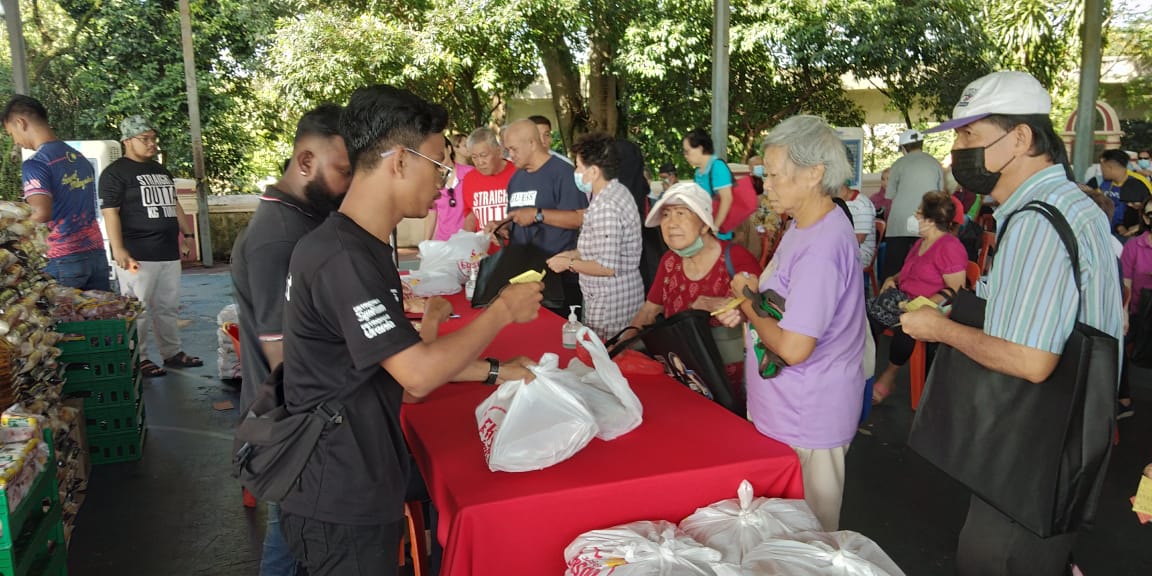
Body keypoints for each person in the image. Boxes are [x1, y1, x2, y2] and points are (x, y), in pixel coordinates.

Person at [278, 85, 544, 576]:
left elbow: (399, 367)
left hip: (363, 474)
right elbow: (417, 377)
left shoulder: (364, 246)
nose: (445, 184)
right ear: (399, 160)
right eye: (440, 165)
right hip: (338, 493)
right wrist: (502, 311)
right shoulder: (343, 257)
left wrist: (493, 371)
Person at [900, 70, 1123, 576]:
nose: (959, 149)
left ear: (1020, 138)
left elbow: (1030, 359)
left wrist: (939, 329)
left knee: (994, 559)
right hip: (1059, 443)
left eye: (969, 136)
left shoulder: (1038, 222)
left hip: (1032, 452)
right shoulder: (1071, 207)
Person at [715, 115, 866, 531]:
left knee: (806, 538)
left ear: (814, 174)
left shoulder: (821, 245)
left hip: (808, 412)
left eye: (777, 176)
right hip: (786, 405)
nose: (768, 186)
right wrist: (751, 304)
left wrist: (748, 304)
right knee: (782, 530)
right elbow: (788, 303)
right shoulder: (806, 225)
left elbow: (795, 348)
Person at [229, 104, 352, 576]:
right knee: (290, 542)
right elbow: (282, 351)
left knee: (298, 537)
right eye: (343, 171)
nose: (349, 184)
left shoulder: (301, 220)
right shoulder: (278, 238)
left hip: (304, 418)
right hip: (294, 425)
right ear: (305, 162)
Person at [100, 115, 201, 377]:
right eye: (145, 139)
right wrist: (118, 248)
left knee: (167, 307)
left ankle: (172, 353)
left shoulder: (161, 171)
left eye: (153, 138)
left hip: (167, 251)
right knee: (138, 309)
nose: (152, 144)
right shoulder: (114, 174)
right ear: (127, 141)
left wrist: (187, 235)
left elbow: (174, 204)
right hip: (138, 255)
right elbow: (110, 212)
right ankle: (140, 357)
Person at [631, 182, 760, 378]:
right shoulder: (669, 261)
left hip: (730, 379)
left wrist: (739, 310)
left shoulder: (736, 258)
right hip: (683, 372)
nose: (671, 223)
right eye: (666, 214)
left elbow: (761, 308)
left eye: (681, 213)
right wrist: (620, 346)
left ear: (705, 224)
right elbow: (650, 310)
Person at [1, 95, 109, 290]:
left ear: (20, 122)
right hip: (96, 253)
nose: (16, 141)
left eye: (11, 134)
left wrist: (8, 232)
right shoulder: (78, 157)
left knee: (65, 318)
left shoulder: (36, 163)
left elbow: (40, 213)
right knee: (99, 316)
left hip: (63, 258)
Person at [868, 191, 966, 404]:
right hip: (902, 296)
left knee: (906, 327)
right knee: (864, 318)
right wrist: (891, 279)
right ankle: (864, 373)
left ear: (930, 220)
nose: (915, 215)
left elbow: (957, 289)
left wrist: (922, 306)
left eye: (919, 213)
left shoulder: (949, 247)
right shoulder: (921, 243)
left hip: (929, 305)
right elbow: (906, 271)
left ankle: (889, 376)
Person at [544, 133, 643, 338]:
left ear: (594, 171)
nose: (577, 172)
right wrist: (571, 254)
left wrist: (568, 264)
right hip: (619, 294)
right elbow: (600, 246)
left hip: (609, 302)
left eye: (579, 167)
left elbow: (606, 267)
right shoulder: (617, 191)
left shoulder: (606, 206)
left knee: (607, 356)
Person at [501, 119, 589, 315]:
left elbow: (579, 218)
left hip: (559, 276)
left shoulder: (563, 173)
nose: (510, 155)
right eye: (507, 150)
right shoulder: (516, 178)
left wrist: (538, 215)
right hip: (523, 274)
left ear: (532, 144)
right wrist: (502, 227)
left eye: (513, 149)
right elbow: (516, 216)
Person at [883, 129, 945, 280]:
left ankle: (891, 296)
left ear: (903, 148)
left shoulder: (898, 164)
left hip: (900, 222)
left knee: (894, 265)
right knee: (924, 261)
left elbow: (890, 194)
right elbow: (941, 193)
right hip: (927, 220)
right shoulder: (934, 163)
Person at [1118, 199, 1152, 420]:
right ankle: (1124, 399)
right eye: (1150, 214)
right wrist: (1124, 315)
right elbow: (1126, 284)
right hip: (1139, 311)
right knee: (1117, 341)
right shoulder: (1134, 246)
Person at [460, 127, 516, 233]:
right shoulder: (469, 179)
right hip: (484, 248)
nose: (480, 162)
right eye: (474, 157)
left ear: (499, 151)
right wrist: (466, 237)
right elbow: (471, 213)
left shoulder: (518, 174)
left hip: (516, 246)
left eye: (484, 155)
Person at [1088, 149, 1152, 240]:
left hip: (1132, 237)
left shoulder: (1139, 182)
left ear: (1109, 167)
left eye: (1102, 167)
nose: (1101, 171)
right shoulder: (1104, 183)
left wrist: (1139, 226)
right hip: (1108, 234)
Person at [683, 129, 735, 240]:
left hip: (720, 232)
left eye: (688, 151)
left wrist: (715, 227)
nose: (685, 156)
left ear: (700, 148)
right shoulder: (698, 172)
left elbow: (727, 199)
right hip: (706, 229)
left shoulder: (717, 167)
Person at [424, 136, 468, 241]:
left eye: (440, 150)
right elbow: (432, 215)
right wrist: (425, 243)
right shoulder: (432, 181)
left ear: (449, 149)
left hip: (467, 241)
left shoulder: (469, 174)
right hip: (443, 242)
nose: (437, 155)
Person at [839, 182, 877, 269]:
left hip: (861, 253)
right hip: (843, 249)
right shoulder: (835, 203)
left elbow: (859, 239)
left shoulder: (862, 204)